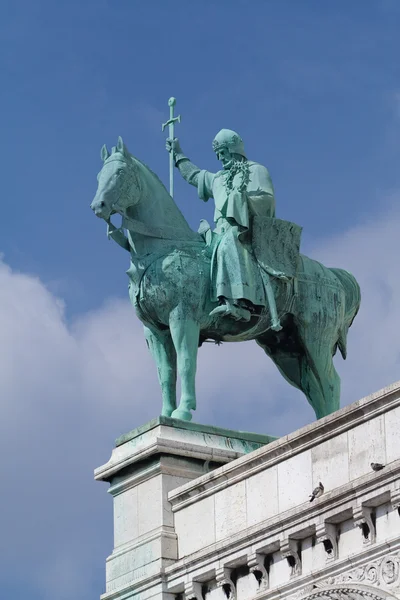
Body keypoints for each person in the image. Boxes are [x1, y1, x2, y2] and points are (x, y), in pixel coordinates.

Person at [166, 129, 277, 323]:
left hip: (245, 230)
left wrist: (242, 200)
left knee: (228, 243)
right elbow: (194, 175)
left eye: (223, 153)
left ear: (235, 150)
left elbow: (267, 200)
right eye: (217, 155)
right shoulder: (218, 178)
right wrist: (178, 154)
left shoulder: (256, 170)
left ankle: (240, 304)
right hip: (219, 230)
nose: (220, 158)